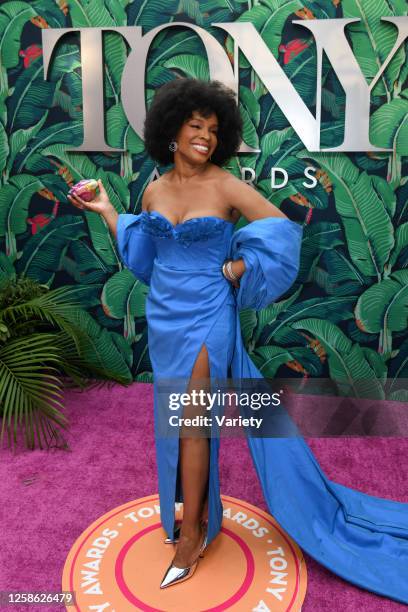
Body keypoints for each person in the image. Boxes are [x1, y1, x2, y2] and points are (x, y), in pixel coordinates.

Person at [68, 78, 408, 602]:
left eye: (213, 129)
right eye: (195, 125)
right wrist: (111, 210)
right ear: (171, 131)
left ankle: (192, 534)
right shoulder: (155, 188)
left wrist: (239, 265)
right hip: (164, 319)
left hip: (208, 317)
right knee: (180, 419)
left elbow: (279, 228)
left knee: (191, 423)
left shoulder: (226, 185)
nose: (205, 135)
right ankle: (198, 516)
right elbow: (143, 261)